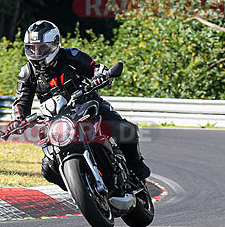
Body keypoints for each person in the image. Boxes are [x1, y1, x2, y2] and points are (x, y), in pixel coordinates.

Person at [11, 19, 151, 188]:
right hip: (55, 121)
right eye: (32, 48)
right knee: (48, 169)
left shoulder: (71, 56)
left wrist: (101, 75)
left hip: (88, 107)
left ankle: (135, 164)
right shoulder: (27, 72)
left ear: (54, 45)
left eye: (42, 47)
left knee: (125, 130)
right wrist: (18, 120)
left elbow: (94, 68)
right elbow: (21, 100)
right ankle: (81, 186)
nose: (36, 52)